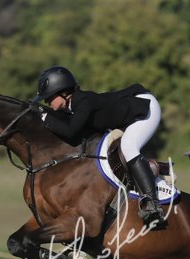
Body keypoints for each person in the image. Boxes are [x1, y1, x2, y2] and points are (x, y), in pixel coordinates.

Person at [33, 65, 165, 228]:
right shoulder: (71, 106)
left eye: (49, 97)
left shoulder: (84, 102)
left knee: (129, 147)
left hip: (145, 108)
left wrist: (44, 117)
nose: (47, 101)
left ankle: (153, 204)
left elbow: (70, 132)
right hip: (128, 114)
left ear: (64, 93)